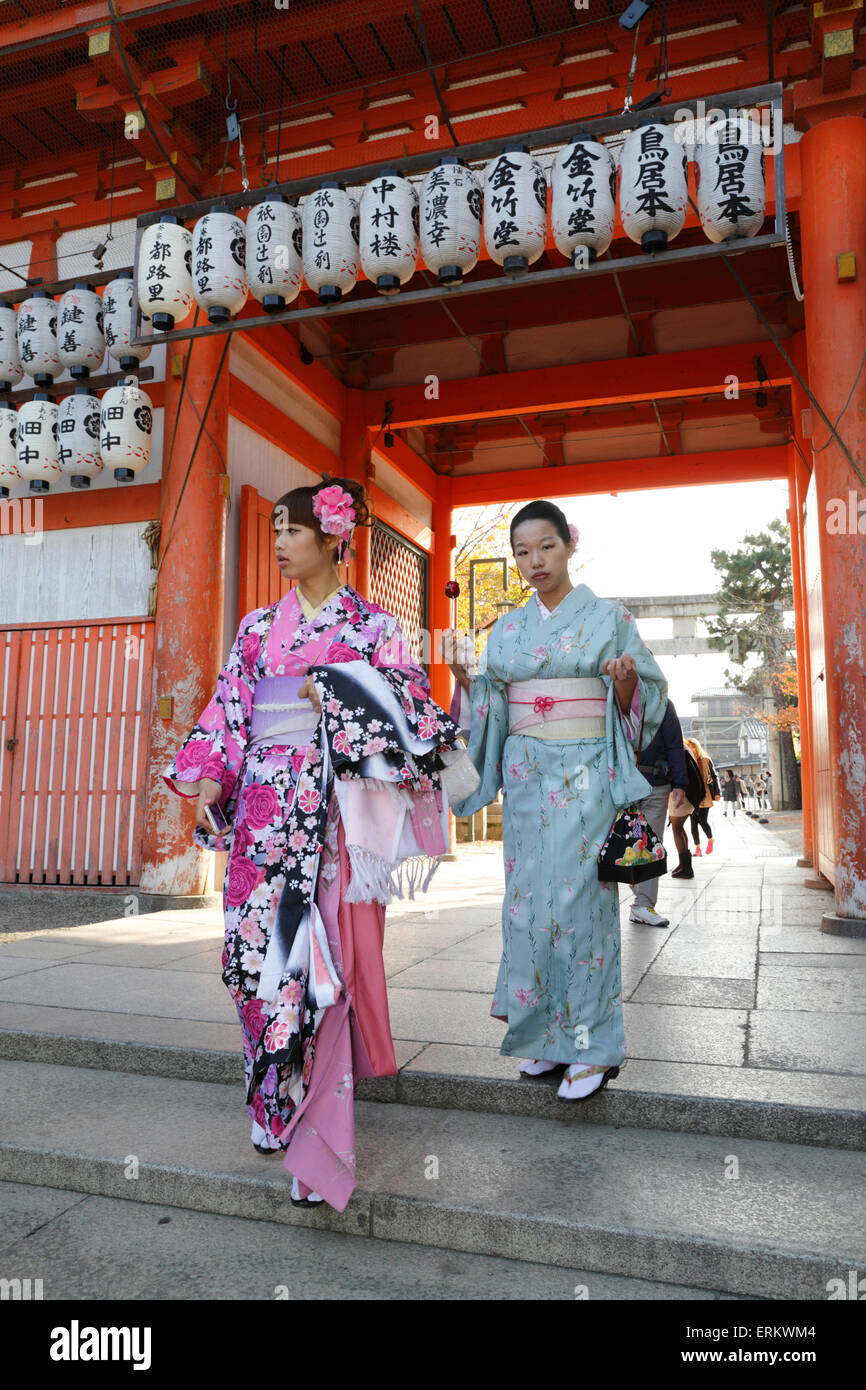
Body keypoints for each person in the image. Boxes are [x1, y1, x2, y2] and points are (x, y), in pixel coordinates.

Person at [163, 475, 462, 1212]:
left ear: (334, 537)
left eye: (291, 531)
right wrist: (207, 781)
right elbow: (230, 707)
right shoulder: (258, 629)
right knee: (252, 959)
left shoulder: (375, 627)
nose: (279, 545)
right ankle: (274, 1097)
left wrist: (330, 689)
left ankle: (317, 1135)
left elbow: (412, 714)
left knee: (318, 967)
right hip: (264, 814)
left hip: (333, 820)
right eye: (273, 532)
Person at [441, 500, 667, 1101]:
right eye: (521, 551)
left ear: (569, 544)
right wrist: (468, 679)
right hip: (525, 777)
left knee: (580, 903)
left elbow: (645, 697)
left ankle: (592, 1046)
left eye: (545, 546)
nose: (533, 560)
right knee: (527, 904)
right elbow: (489, 703)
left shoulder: (608, 617)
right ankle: (544, 1039)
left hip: (587, 770)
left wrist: (623, 681)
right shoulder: (509, 629)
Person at [627, 697, 689, 927]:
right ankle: (639, 891)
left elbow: (675, 743)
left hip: (656, 784)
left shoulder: (663, 704)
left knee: (652, 845)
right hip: (623, 785)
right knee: (627, 844)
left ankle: (643, 904)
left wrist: (680, 783)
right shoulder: (616, 696)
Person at [685, 735, 719, 857]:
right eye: (690, 747)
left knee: (703, 821)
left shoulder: (706, 759)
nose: (692, 749)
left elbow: (714, 777)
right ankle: (697, 848)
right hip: (693, 796)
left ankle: (710, 839)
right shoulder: (688, 760)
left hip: (706, 795)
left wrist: (717, 793)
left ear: (697, 747)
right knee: (693, 823)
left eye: (693, 747)